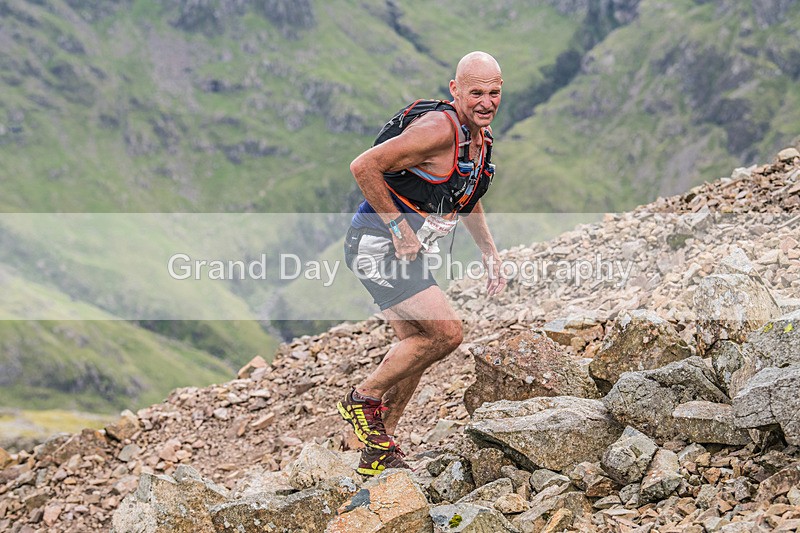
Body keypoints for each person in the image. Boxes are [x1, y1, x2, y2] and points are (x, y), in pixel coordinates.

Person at [339, 51, 507, 476]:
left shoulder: (478, 139)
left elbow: (468, 198)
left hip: (403, 252)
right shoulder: (438, 130)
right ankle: (363, 399)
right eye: (476, 93)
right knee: (447, 333)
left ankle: (377, 448)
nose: (486, 102)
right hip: (379, 247)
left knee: (413, 347)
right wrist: (398, 228)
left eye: (494, 92)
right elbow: (364, 166)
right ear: (455, 91)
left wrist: (489, 252)